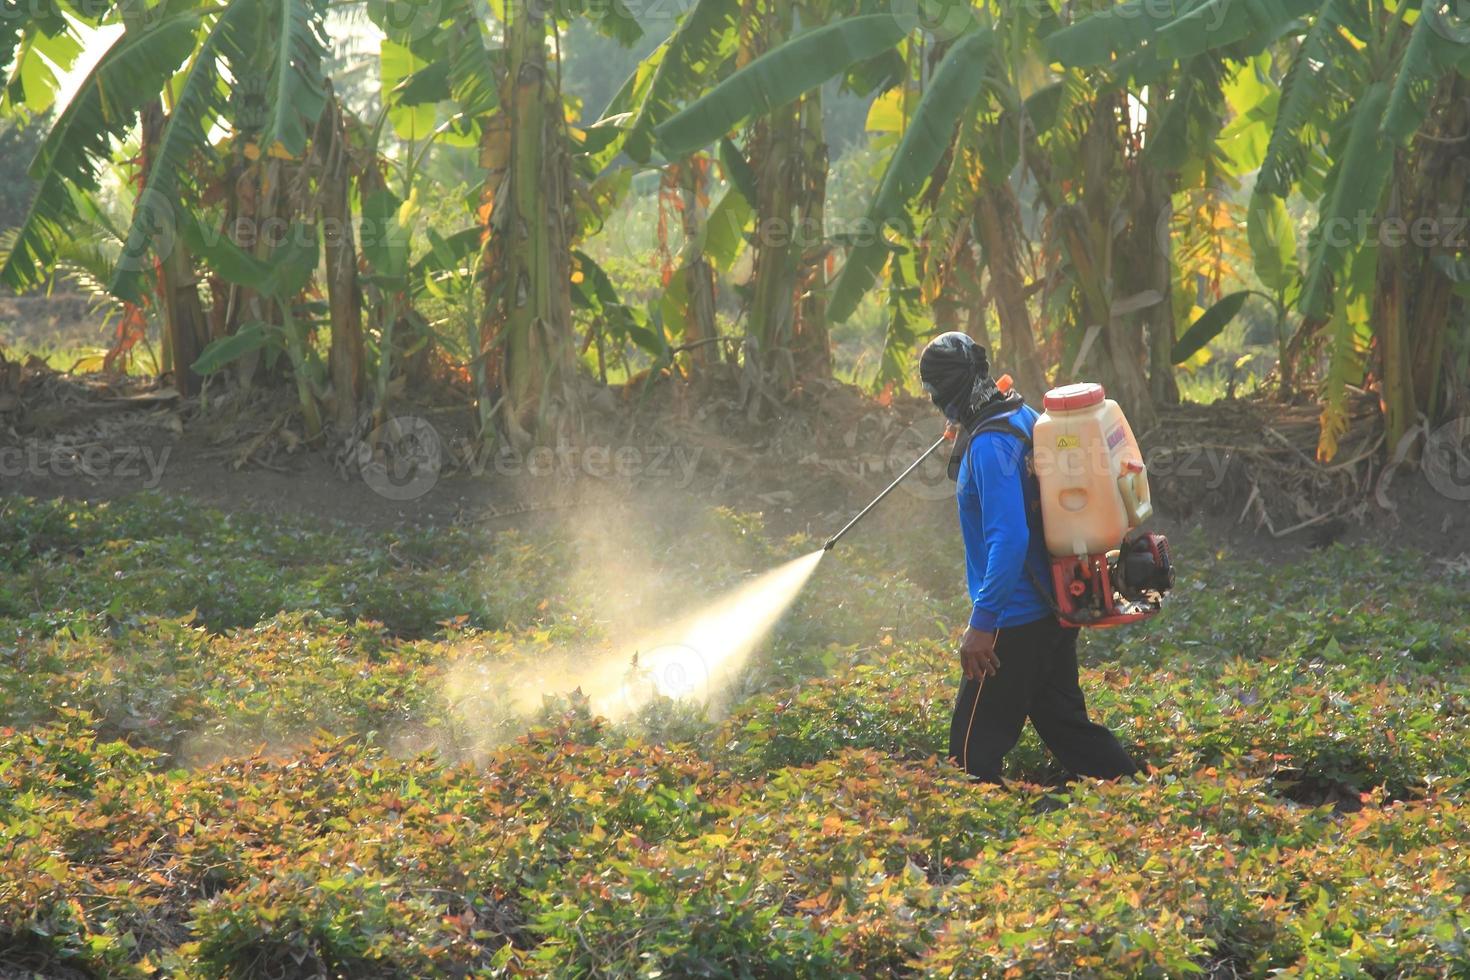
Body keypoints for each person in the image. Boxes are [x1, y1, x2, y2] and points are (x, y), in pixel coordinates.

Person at [918, 332, 1138, 785]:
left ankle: (979, 847)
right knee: (1068, 728)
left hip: (1014, 621)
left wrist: (982, 624)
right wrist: (968, 428)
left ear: (943, 390)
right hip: (1054, 610)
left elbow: (1010, 540)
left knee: (968, 753)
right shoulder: (1021, 416)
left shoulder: (987, 445)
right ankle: (1142, 796)